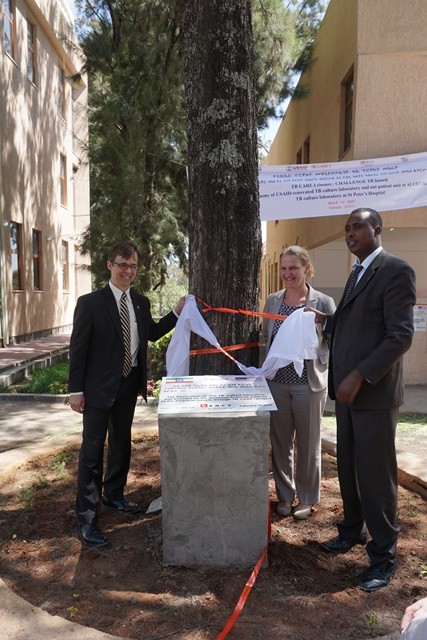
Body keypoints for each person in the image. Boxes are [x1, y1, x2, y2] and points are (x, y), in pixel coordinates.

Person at [311, 208, 416, 592]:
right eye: (346, 228)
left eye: (357, 226)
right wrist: (326, 322)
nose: (350, 233)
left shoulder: (395, 270)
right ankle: (351, 531)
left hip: (371, 394)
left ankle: (384, 555)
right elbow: (356, 324)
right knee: (350, 468)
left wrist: (359, 374)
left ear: (377, 229)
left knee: (375, 475)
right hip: (346, 394)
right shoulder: (356, 271)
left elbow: (399, 335)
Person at [68, 240, 185, 548]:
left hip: (128, 385)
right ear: (110, 265)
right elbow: (78, 349)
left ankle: (114, 495)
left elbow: (153, 333)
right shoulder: (90, 303)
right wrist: (75, 390)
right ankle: (87, 520)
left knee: (121, 444)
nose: (128, 271)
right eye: (122, 265)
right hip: (95, 390)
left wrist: (176, 312)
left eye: (133, 266)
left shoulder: (141, 303)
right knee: (92, 453)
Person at [263, 246, 336, 520]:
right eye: (283, 268)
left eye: (294, 267)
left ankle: (306, 498)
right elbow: (267, 339)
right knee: (280, 443)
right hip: (277, 384)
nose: (287, 273)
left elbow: (334, 338)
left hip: (309, 383)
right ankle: (284, 495)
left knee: (308, 445)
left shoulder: (324, 302)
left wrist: (324, 325)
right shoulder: (272, 301)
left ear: (307, 269)